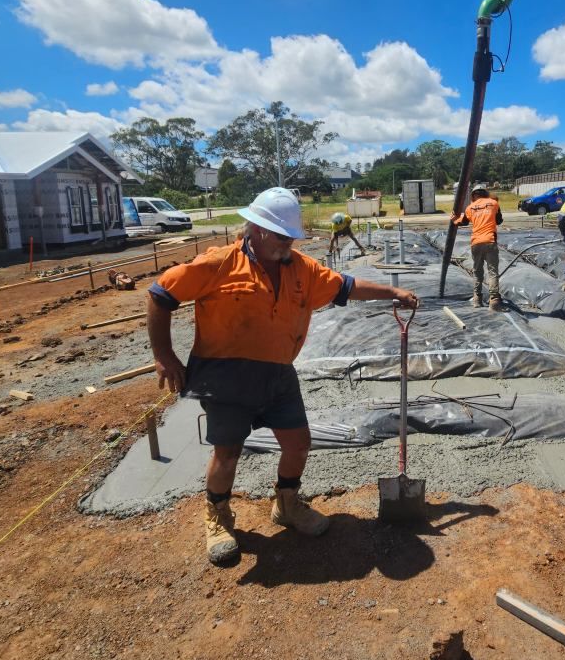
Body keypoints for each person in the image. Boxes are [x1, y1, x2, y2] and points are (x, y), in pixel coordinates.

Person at [147, 187, 418, 565]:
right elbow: (161, 295)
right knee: (228, 454)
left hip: (277, 373)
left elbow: (346, 287)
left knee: (298, 444)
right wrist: (163, 354)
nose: (288, 242)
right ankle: (218, 517)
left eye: (291, 236)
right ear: (256, 229)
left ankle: (287, 506)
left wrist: (391, 290)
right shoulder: (218, 263)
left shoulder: (301, 269)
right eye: (281, 235)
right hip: (225, 374)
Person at [452, 183, 505, 310]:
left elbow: (462, 222)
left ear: (473, 195)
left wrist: (454, 219)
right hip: (490, 241)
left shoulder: (470, 207)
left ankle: (477, 299)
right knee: (492, 272)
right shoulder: (494, 203)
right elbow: (499, 221)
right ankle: (494, 300)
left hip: (476, 243)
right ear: (485, 193)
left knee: (477, 271)